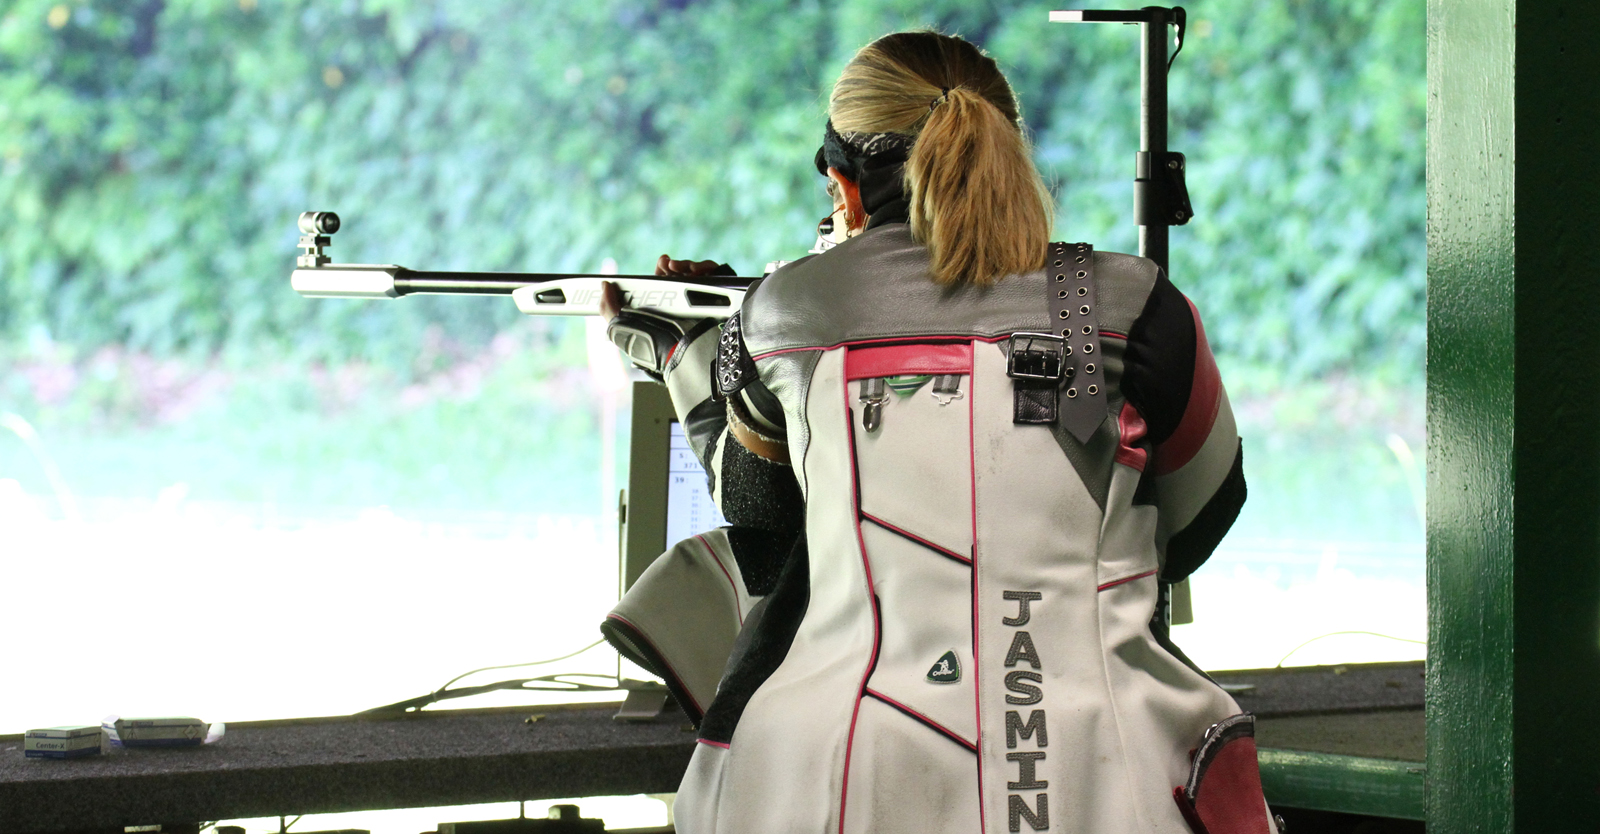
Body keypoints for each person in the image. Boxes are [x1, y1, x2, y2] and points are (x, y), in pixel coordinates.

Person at [602, 31, 1273, 834]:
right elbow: (1202, 516)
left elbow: (766, 534)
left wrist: (689, 360)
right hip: (1115, 775)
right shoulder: (1134, 306)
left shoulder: (779, 315)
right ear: (1007, 151)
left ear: (840, 185)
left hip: (838, 779)